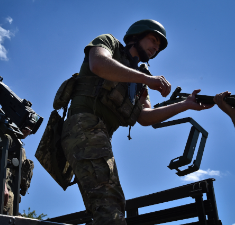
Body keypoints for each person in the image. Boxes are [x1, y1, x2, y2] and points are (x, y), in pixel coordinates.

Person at [60, 19, 213, 225]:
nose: (155, 48)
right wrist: (147, 79)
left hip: (99, 134)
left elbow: (145, 117)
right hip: (83, 125)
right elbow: (98, 63)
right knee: (109, 203)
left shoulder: (139, 79)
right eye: (152, 40)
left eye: (158, 46)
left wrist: (186, 105)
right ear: (135, 37)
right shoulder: (109, 44)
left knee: (113, 203)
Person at [0, 127, 34, 215]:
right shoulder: (6, 137)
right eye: (25, 127)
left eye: (30, 129)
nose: (28, 131)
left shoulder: (19, 147)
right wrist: (3, 186)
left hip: (11, 196)